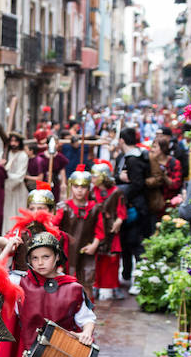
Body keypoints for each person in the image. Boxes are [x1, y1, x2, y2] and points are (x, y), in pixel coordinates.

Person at [0, 182, 68, 274]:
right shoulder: (22, 230)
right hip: (23, 279)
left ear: (51, 211)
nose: (35, 212)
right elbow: (7, 241)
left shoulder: (56, 234)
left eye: (40, 208)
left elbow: (61, 262)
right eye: (32, 209)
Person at [54, 165, 99, 296]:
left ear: (89, 188)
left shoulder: (95, 208)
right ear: (71, 186)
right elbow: (53, 227)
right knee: (65, 284)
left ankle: (87, 314)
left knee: (86, 283)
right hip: (66, 252)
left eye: (83, 187)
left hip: (86, 250)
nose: (79, 190)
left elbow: (100, 230)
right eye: (76, 186)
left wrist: (95, 245)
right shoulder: (63, 207)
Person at [115, 127, 148, 293]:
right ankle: (126, 274)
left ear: (122, 140)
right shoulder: (123, 157)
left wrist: (123, 193)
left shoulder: (135, 159)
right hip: (125, 207)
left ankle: (138, 279)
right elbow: (116, 176)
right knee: (124, 243)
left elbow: (138, 184)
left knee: (135, 244)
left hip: (135, 208)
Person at [90, 160, 126, 300]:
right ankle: (96, 286)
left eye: (95, 176)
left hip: (111, 230)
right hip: (97, 229)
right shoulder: (93, 191)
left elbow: (121, 209)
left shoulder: (116, 192)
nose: (92, 179)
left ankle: (113, 286)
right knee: (96, 259)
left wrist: (119, 220)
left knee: (112, 260)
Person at [144, 137, 182, 220]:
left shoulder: (174, 163)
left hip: (170, 204)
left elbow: (176, 185)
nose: (151, 150)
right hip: (154, 203)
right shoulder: (149, 162)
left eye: (154, 147)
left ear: (162, 149)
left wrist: (164, 176)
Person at [2, 132, 29, 227]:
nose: (13, 144)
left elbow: (20, 176)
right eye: (11, 141)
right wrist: (1, 166)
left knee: (17, 215)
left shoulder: (23, 155)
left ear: (19, 142)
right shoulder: (4, 154)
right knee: (6, 215)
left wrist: (5, 174)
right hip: (6, 190)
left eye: (15, 141)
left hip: (18, 191)